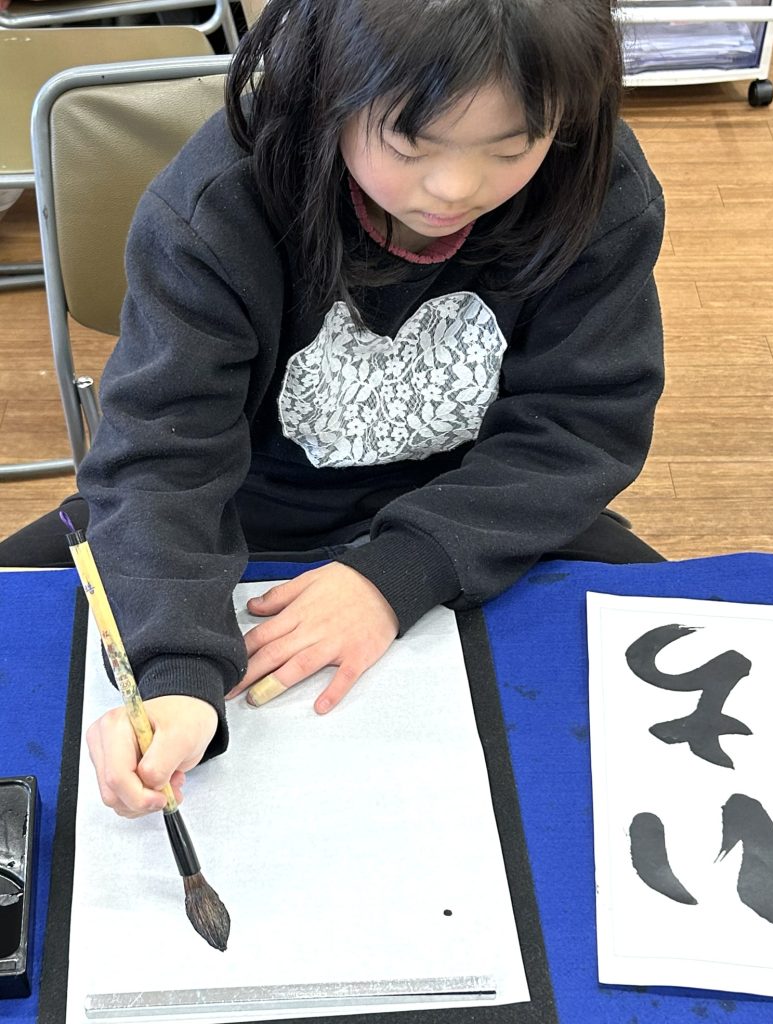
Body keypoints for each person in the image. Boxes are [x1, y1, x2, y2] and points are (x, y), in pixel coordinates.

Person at [0, 0, 666, 818]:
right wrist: (172, 672)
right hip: (239, 510)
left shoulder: (598, 189)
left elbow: (581, 426)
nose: (455, 189)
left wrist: (398, 573)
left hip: (482, 507)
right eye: (410, 143)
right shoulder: (221, 207)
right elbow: (164, 454)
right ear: (329, 86)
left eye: (511, 147)